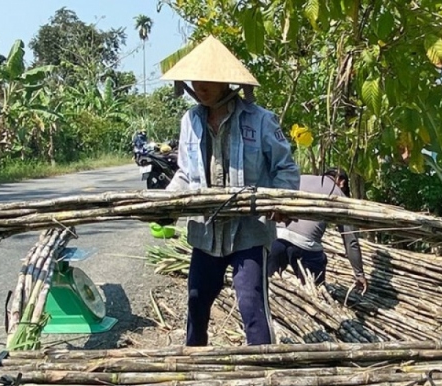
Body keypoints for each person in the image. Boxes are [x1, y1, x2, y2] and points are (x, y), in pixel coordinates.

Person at [155, 35, 301, 347]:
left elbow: (285, 169)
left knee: (251, 304)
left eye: (209, 79)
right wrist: (166, 203)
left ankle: (263, 373)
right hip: (206, 234)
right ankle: (194, 367)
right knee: (196, 302)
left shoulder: (260, 120)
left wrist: (280, 200)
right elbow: (185, 172)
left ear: (226, 82)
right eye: (196, 79)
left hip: (248, 232)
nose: (201, 85)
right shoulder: (190, 120)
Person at [268, 168, 368, 292]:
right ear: (341, 182)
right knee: (315, 291)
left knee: (268, 284)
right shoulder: (338, 194)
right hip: (306, 247)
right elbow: (350, 240)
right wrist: (359, 274)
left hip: (277, 239)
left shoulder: (300, 178)